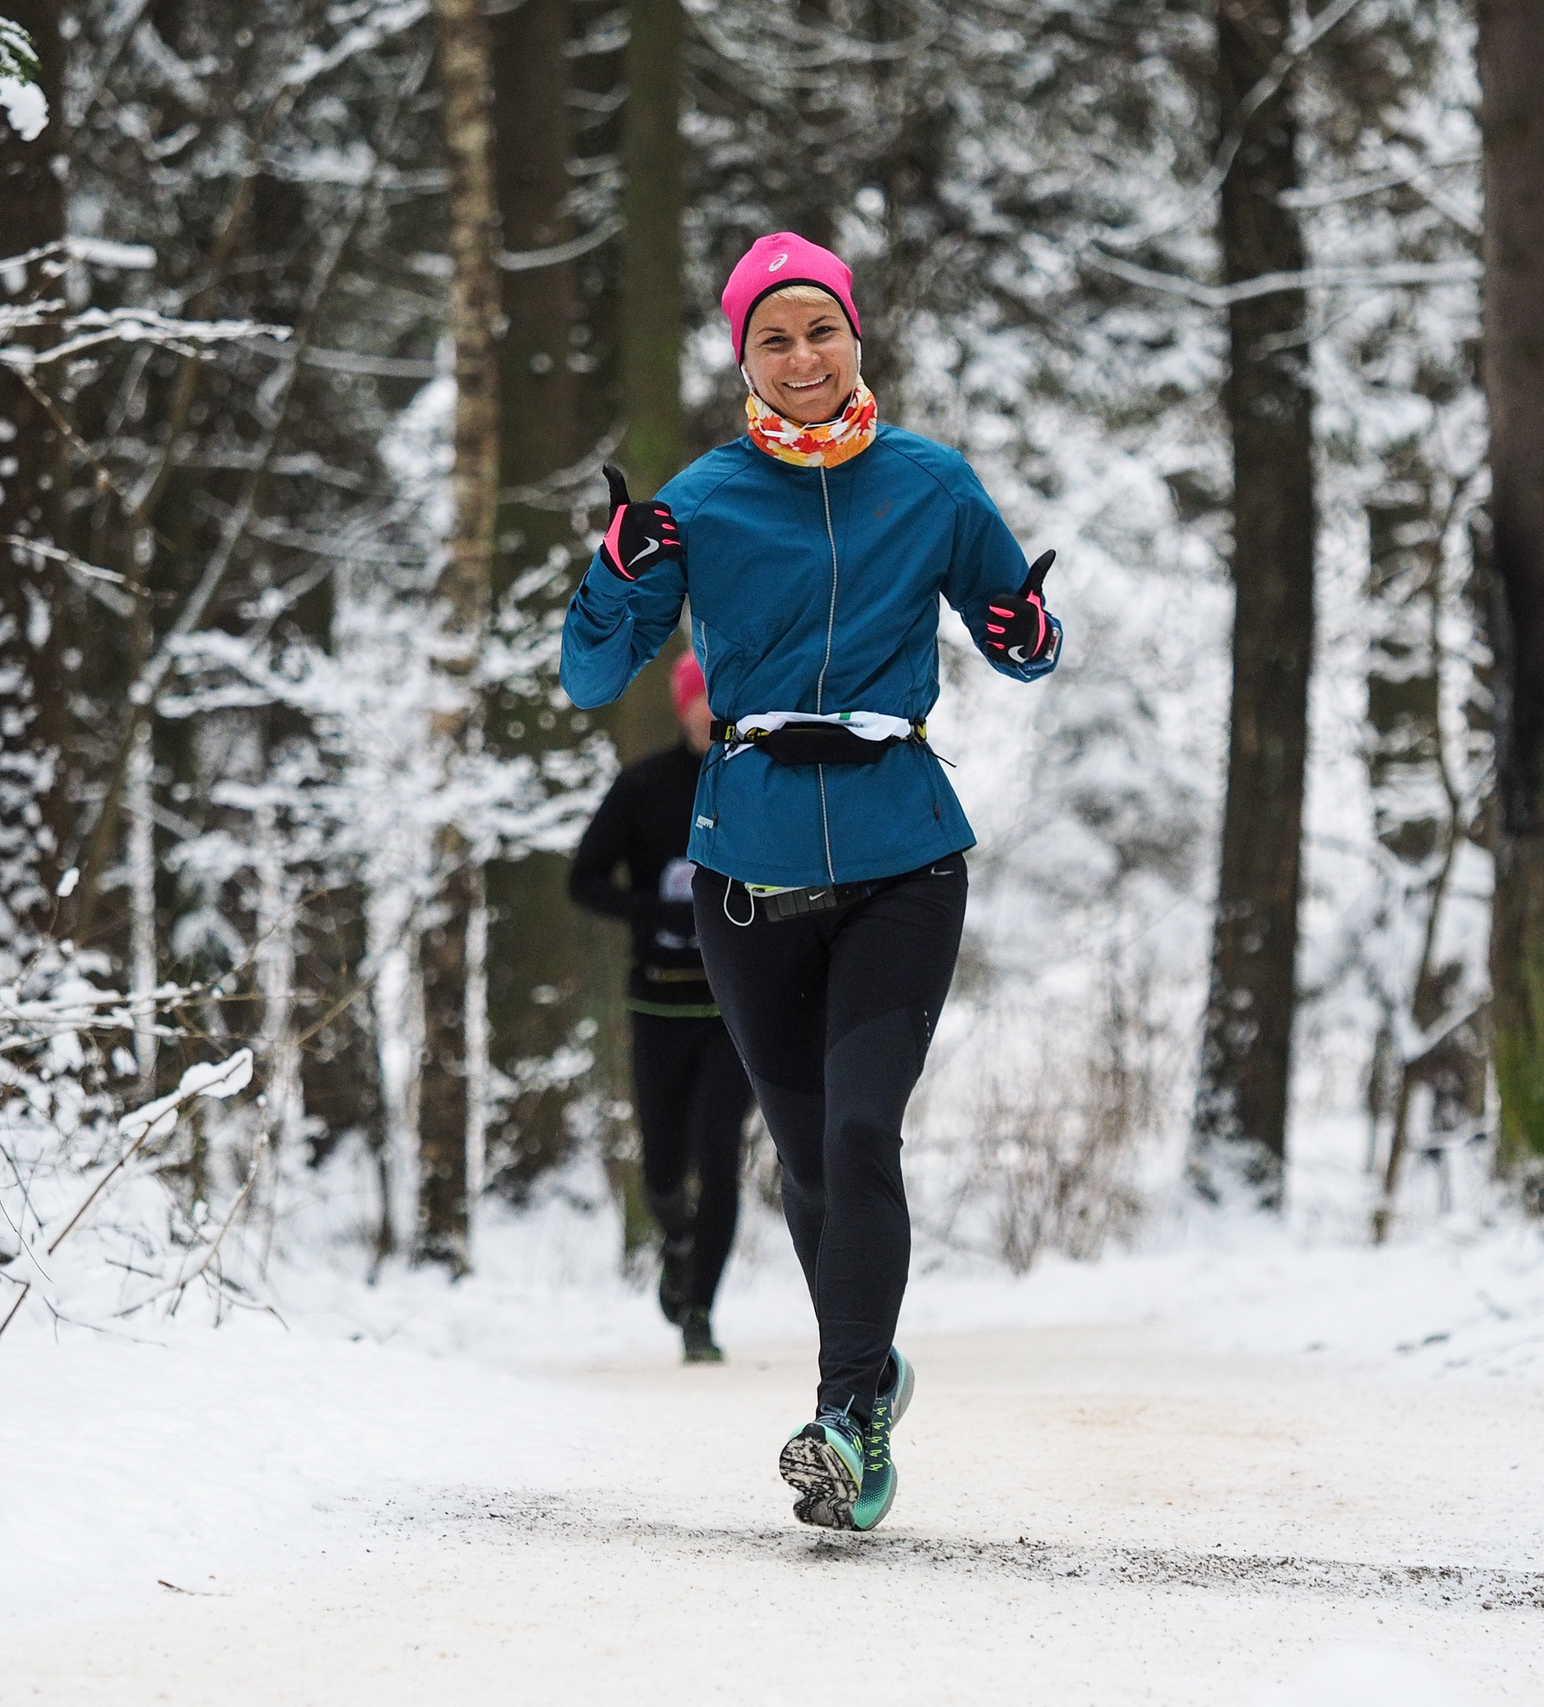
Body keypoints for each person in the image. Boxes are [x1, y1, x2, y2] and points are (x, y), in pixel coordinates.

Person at [559, 231, 1063, 1532]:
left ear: (856, 338)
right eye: (772, 338)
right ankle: (874, 1367)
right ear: (745, 357)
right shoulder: (708, 498)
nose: (800, 358)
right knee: (805, 1160)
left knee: (858, 1130)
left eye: (819, 330)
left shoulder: (932, 483)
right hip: (749, 866)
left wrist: (1024, 631)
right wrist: (617, 571)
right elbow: (591, 674)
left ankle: (846, 1415)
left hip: (904, 852)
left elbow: (1021, 639)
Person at [567, 651, 755, 1365]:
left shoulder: (754, 786)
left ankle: (700, 1312)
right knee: (662, 1172)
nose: (709, 711)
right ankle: (675, 1237)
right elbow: (583, 879)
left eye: (720, 698)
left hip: (735, 1008)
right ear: (680, 705)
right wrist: (651, 911)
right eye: (698, 698)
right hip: (657, 1001)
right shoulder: (642, 787)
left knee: (720, 1152)